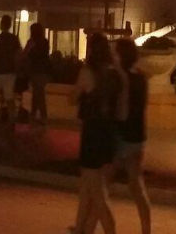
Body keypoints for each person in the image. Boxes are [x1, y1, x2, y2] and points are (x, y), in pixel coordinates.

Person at [70, 33, 121, 234]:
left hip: (92, 133)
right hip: (110, 133)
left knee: (97, 192)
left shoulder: (88, 72)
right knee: (87, 186)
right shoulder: (114, 73)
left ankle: (110, 229)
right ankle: (81, 228)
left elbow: (73, 98)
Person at [112, 38, 151, 234]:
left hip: (122, 135)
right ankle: (146, 229)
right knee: (137, 186)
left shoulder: (120, 78)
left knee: (99, 185)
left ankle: (86, 226)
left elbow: (120, 109)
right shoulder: (141, 78)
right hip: (138, 134)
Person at [0, 15, 21, 127]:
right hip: (10, 72)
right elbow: (17, 56)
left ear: (1, 24)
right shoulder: (14, 39)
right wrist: (17, 70)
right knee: (9, 97)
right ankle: (12, 120)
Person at [24, 22, 51, 124]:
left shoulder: (32, 42)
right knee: (38, 93)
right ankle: (36, 114)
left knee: (38, 94)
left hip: (36, 70)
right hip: (43, 71)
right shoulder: (45, 42)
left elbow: (26, 54)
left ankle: (40, 115)